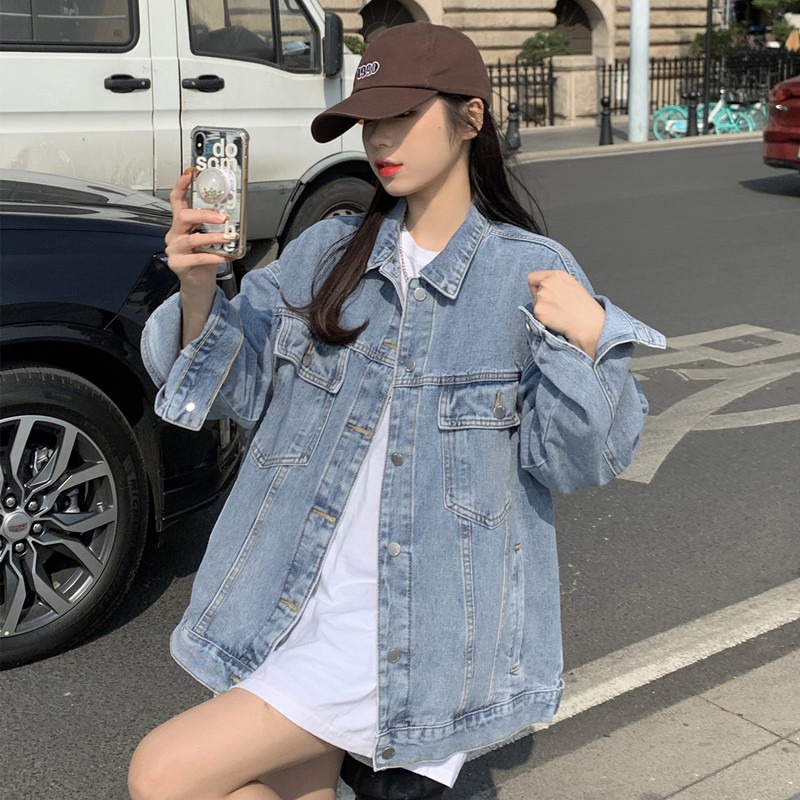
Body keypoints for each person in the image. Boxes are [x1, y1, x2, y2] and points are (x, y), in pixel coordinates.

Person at [128, 21, 665, 800]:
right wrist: (199, 286)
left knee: (163, 771)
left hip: (403, 630)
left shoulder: (526, 272)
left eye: (402, 115)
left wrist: (590, 340)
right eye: (368, 120)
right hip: (294, 594)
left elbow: (576, 462)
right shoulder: (329, 250)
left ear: (470, 117)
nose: (380, 138)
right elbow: (233, 393)